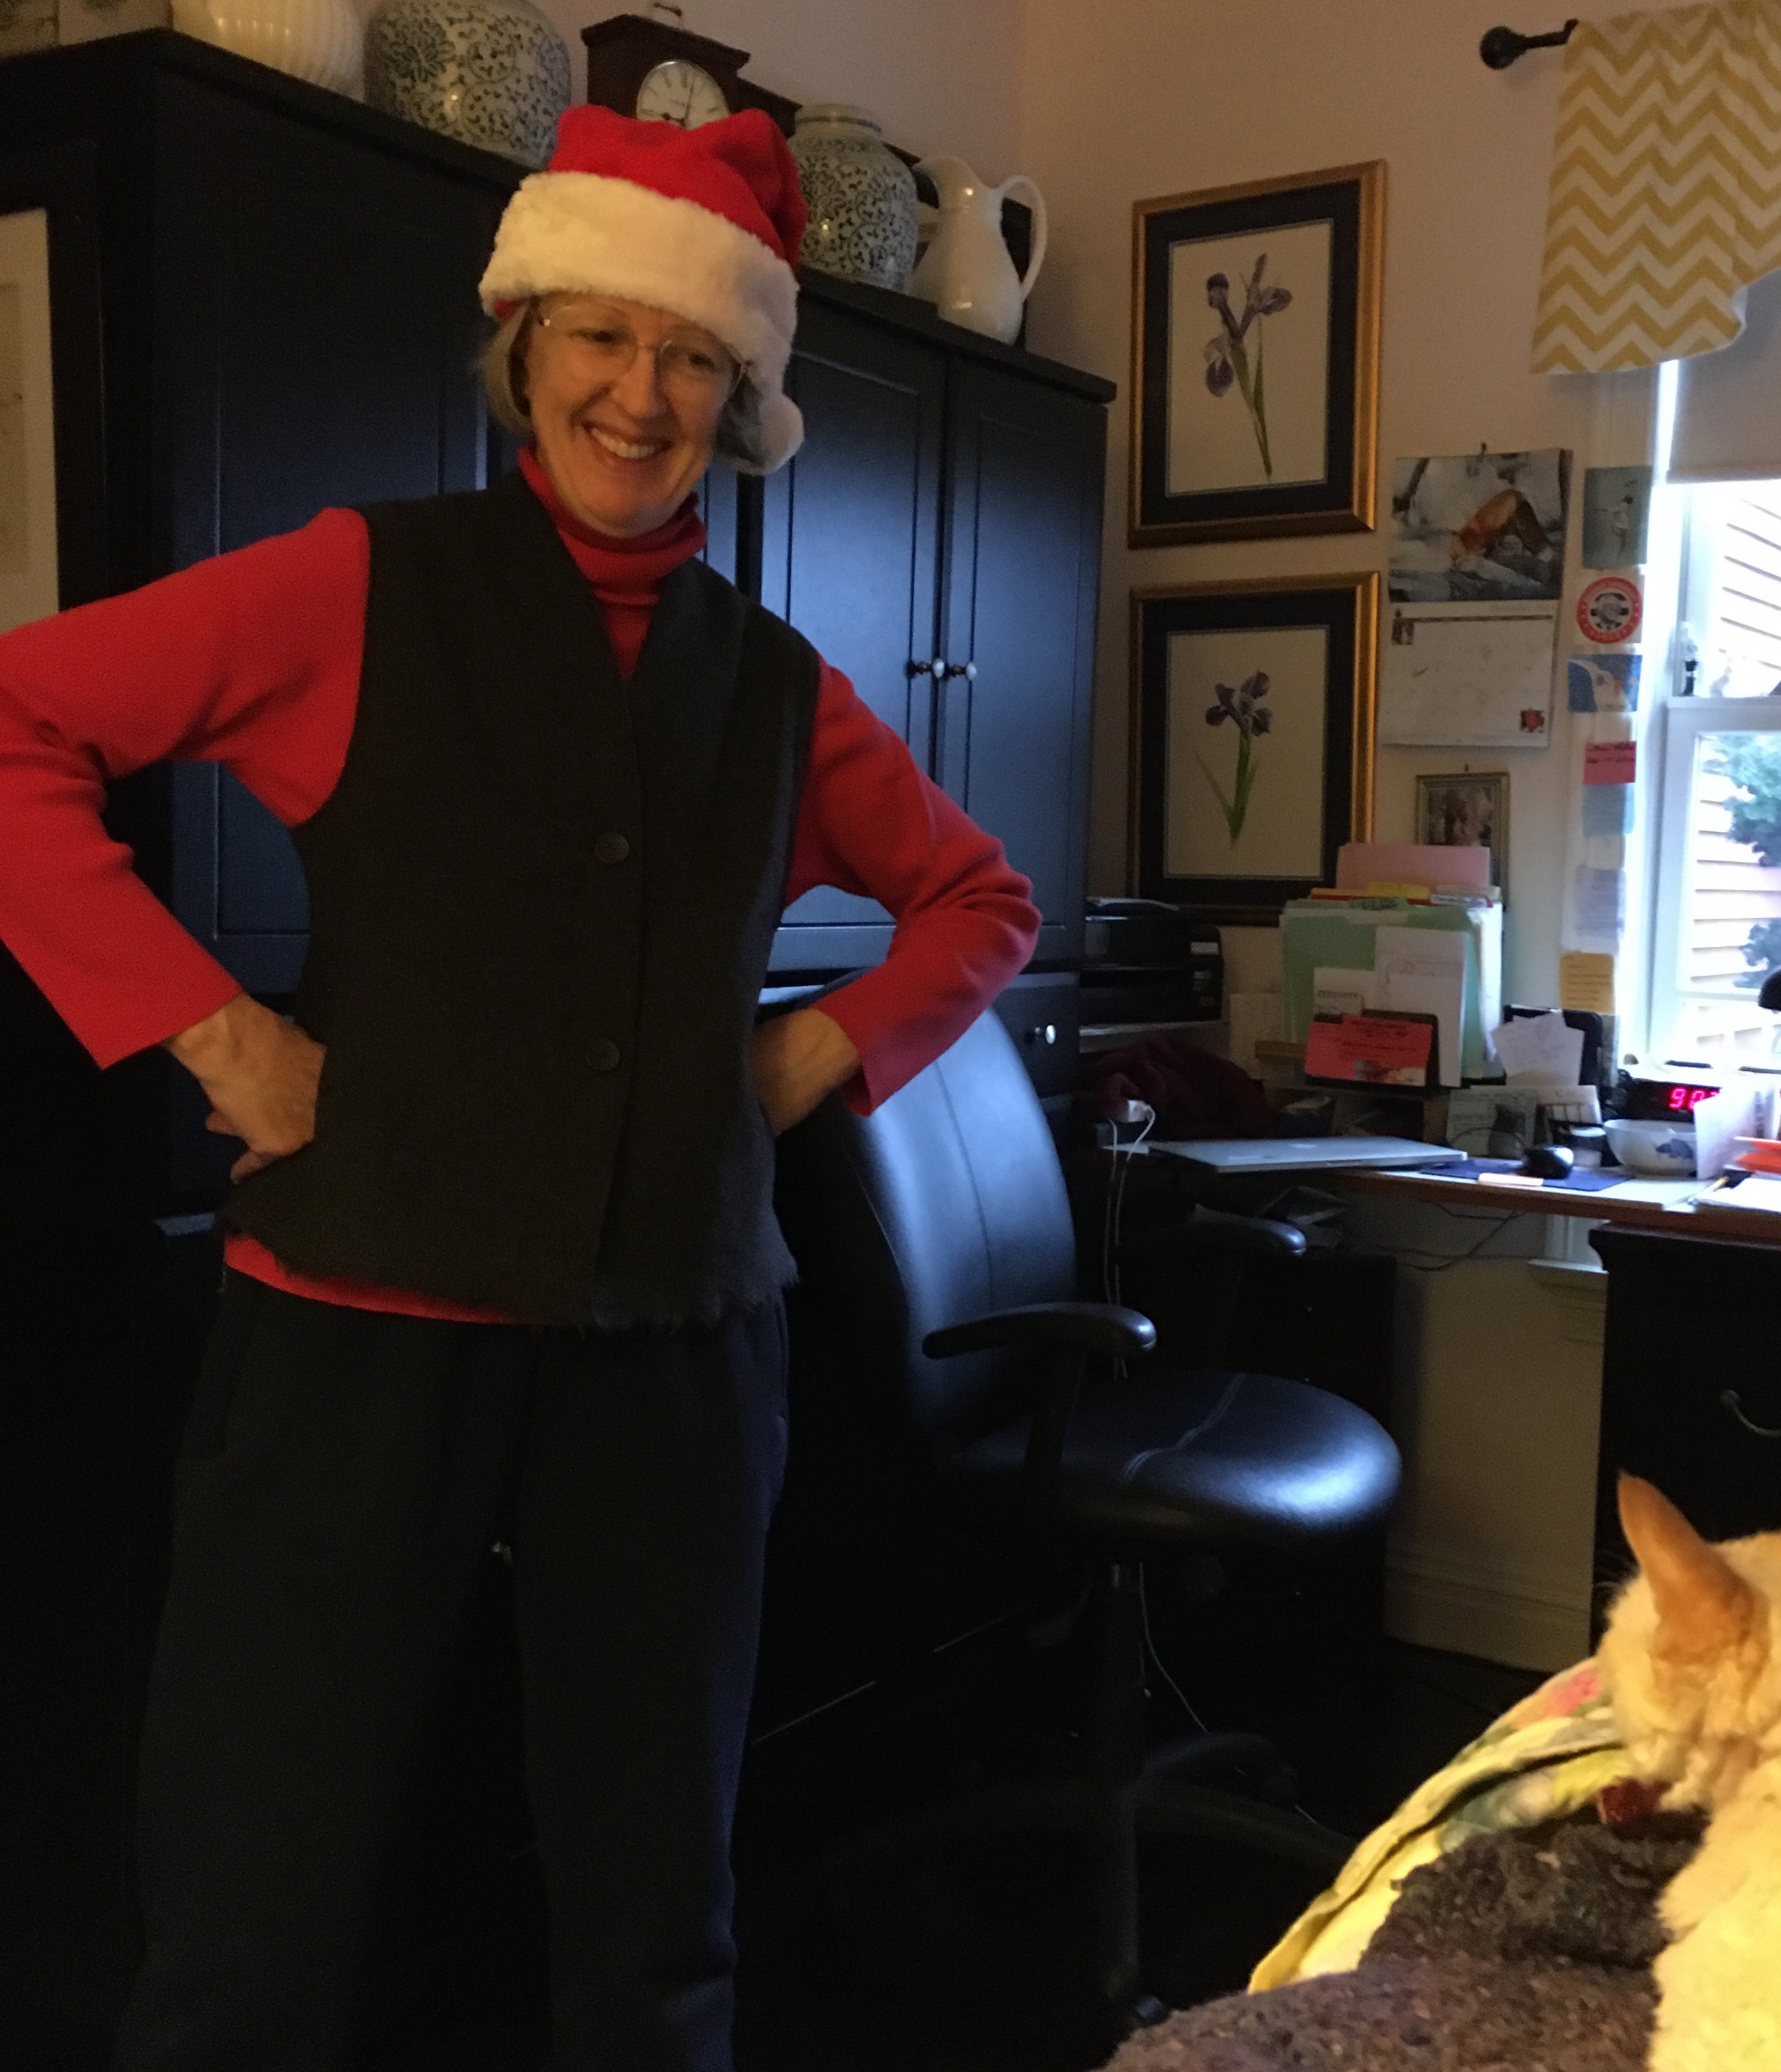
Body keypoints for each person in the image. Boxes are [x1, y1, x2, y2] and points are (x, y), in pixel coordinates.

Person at [0, 106, 1039, 2072]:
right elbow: (18, 722)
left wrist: (808, 1052)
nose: (640, 396)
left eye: (694, 357)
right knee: (255, 1895)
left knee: (658, 1918)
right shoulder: (352, 589)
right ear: (524, 346)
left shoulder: (779, 686)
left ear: (742, 400)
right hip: (355, 1334)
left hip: (676, 1352)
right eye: (602, 339)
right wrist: (211, 1030)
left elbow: (984, 902)